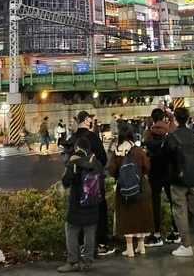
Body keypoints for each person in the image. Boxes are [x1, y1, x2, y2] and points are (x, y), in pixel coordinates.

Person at [69, 111, 116, 256]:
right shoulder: (93, 138)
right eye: (91, 119)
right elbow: (102, 158)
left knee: (80, 212)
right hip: (94, 181)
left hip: (77, 183)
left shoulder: (72, 138)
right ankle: (101, 244)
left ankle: (83, 246)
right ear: (87, 120)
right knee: (100, 210)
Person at [107, 127, 153, 257]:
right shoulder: (138, 151)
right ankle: (141, 246)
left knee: (127, 217)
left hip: (124, 188)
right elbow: (147, 166)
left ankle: (129, 248)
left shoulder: (117, 152)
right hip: (141, 186)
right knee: (141, 215)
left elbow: (111, 170)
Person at [58, 137, 101, 273]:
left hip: (77, 203)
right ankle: (88, 263)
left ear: (77, 148)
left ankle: (73, 262)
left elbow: (66, 181)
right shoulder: (96, 162)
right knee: (89, 233)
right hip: (93, 203)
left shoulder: (74, 161)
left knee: (71, 230)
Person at [167, 106, 194, 257]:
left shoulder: (172, 137)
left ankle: (186, 245)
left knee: (180, 211)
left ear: (175, 119)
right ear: (188, 119)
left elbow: (166, 157)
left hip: (178, 179)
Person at [141, 108, 175, 246]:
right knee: (173, 201)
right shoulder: (170, 131)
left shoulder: (148, 133)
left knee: (155, 203)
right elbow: (173, 121)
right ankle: (176, 231)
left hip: (155, 171)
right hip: (169, 170)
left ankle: (156, 234)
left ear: (152, 119)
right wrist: (168, 115)